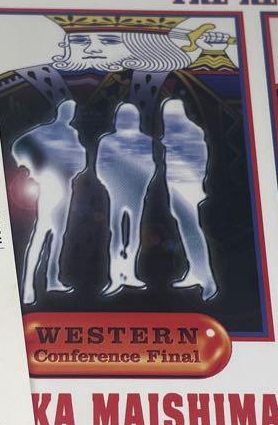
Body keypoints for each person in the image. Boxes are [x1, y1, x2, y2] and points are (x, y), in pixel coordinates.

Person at [11, 99, 88, 305]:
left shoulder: (72, 134)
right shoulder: (45, 131)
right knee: (41, 233)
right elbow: (20, 145)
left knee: (58, 235)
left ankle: (52, 279)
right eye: (68, 110)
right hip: (49, 186)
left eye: (72, 111)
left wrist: (73, 166)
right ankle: (28, 286)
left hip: (65, 187)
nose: (70, 114)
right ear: (61, 112)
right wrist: (30, 169)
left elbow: (81, 160)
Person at [94, 102, 156, 295]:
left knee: (132, 234)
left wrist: (141, 185)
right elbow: (100, 167)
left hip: (135, 193)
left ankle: (129, 273)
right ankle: (116, 277)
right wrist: (111, 185)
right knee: (117, 234)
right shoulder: (108, 141)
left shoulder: (145, 140)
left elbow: (150, 166)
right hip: (118, 193)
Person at [161, 99, 218, 300]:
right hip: (177, 187)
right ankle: (195, 271)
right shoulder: (175, 133)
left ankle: (207, 279)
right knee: (187, 230)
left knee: (192, 230)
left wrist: (197, 185)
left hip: (187, 188)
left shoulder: (190, 133)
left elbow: (200, 160)